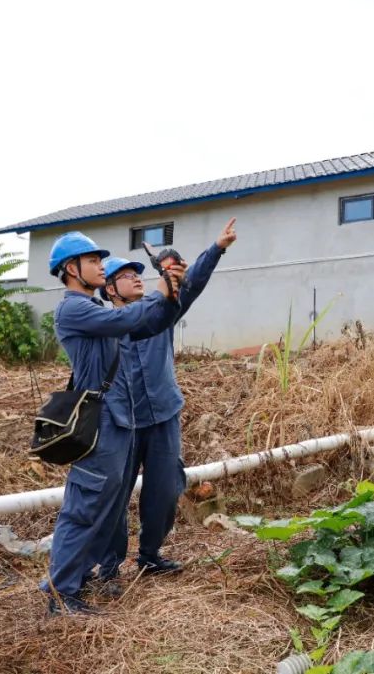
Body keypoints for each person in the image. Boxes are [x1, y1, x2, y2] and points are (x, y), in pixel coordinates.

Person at [40, 230, 183, 616]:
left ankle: (73, 577)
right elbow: (132, 316)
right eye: (92, 261)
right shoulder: (74, 309)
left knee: (104, 504)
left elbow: (144, 322)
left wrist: (172, 289)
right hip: (99, 420)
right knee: (85, 506)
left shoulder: (96, 309)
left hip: (115, 420)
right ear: (71, 269)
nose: (101, 266)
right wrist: (158, 290)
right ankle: (61, 594)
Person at [96, 217, 237, 582]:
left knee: (165, 489)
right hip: (123, 424)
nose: (137, 279)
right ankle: (109, 567)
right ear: (110, 289)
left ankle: (150, 555)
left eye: (138, 274)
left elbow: (190, 287)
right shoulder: (103, 326)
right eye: (127, 276)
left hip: (163, 417)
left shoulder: (159, 313)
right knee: (114, 496)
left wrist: (216, 249)